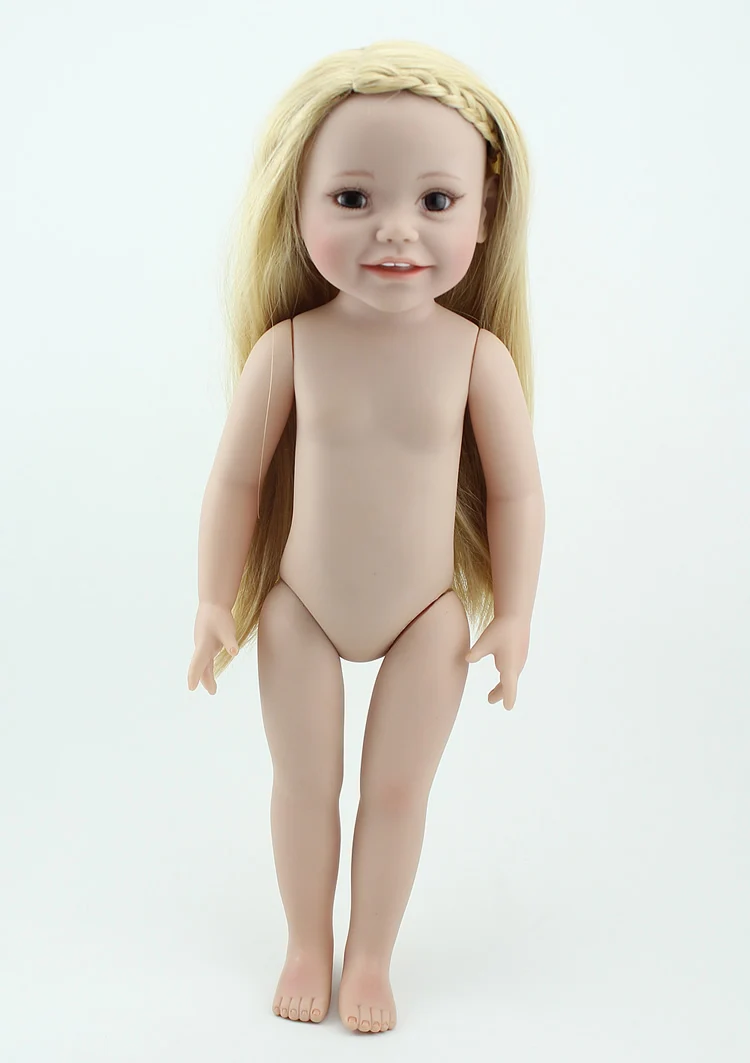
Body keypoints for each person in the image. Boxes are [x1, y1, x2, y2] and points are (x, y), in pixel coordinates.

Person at [187, 38, 546, 1034]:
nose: (396, 229)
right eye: (352, 198)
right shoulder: (290, 349)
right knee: (305, 785)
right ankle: (308, 941)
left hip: (428, 616)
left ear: (484, 213)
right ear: (297, 205)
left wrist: (514, 612)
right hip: (301, 609)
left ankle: (372, 955)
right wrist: (214, 597)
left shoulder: (475, 358)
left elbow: (517, 493)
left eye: (437, 200)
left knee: (395, 791)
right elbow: (235, 479)